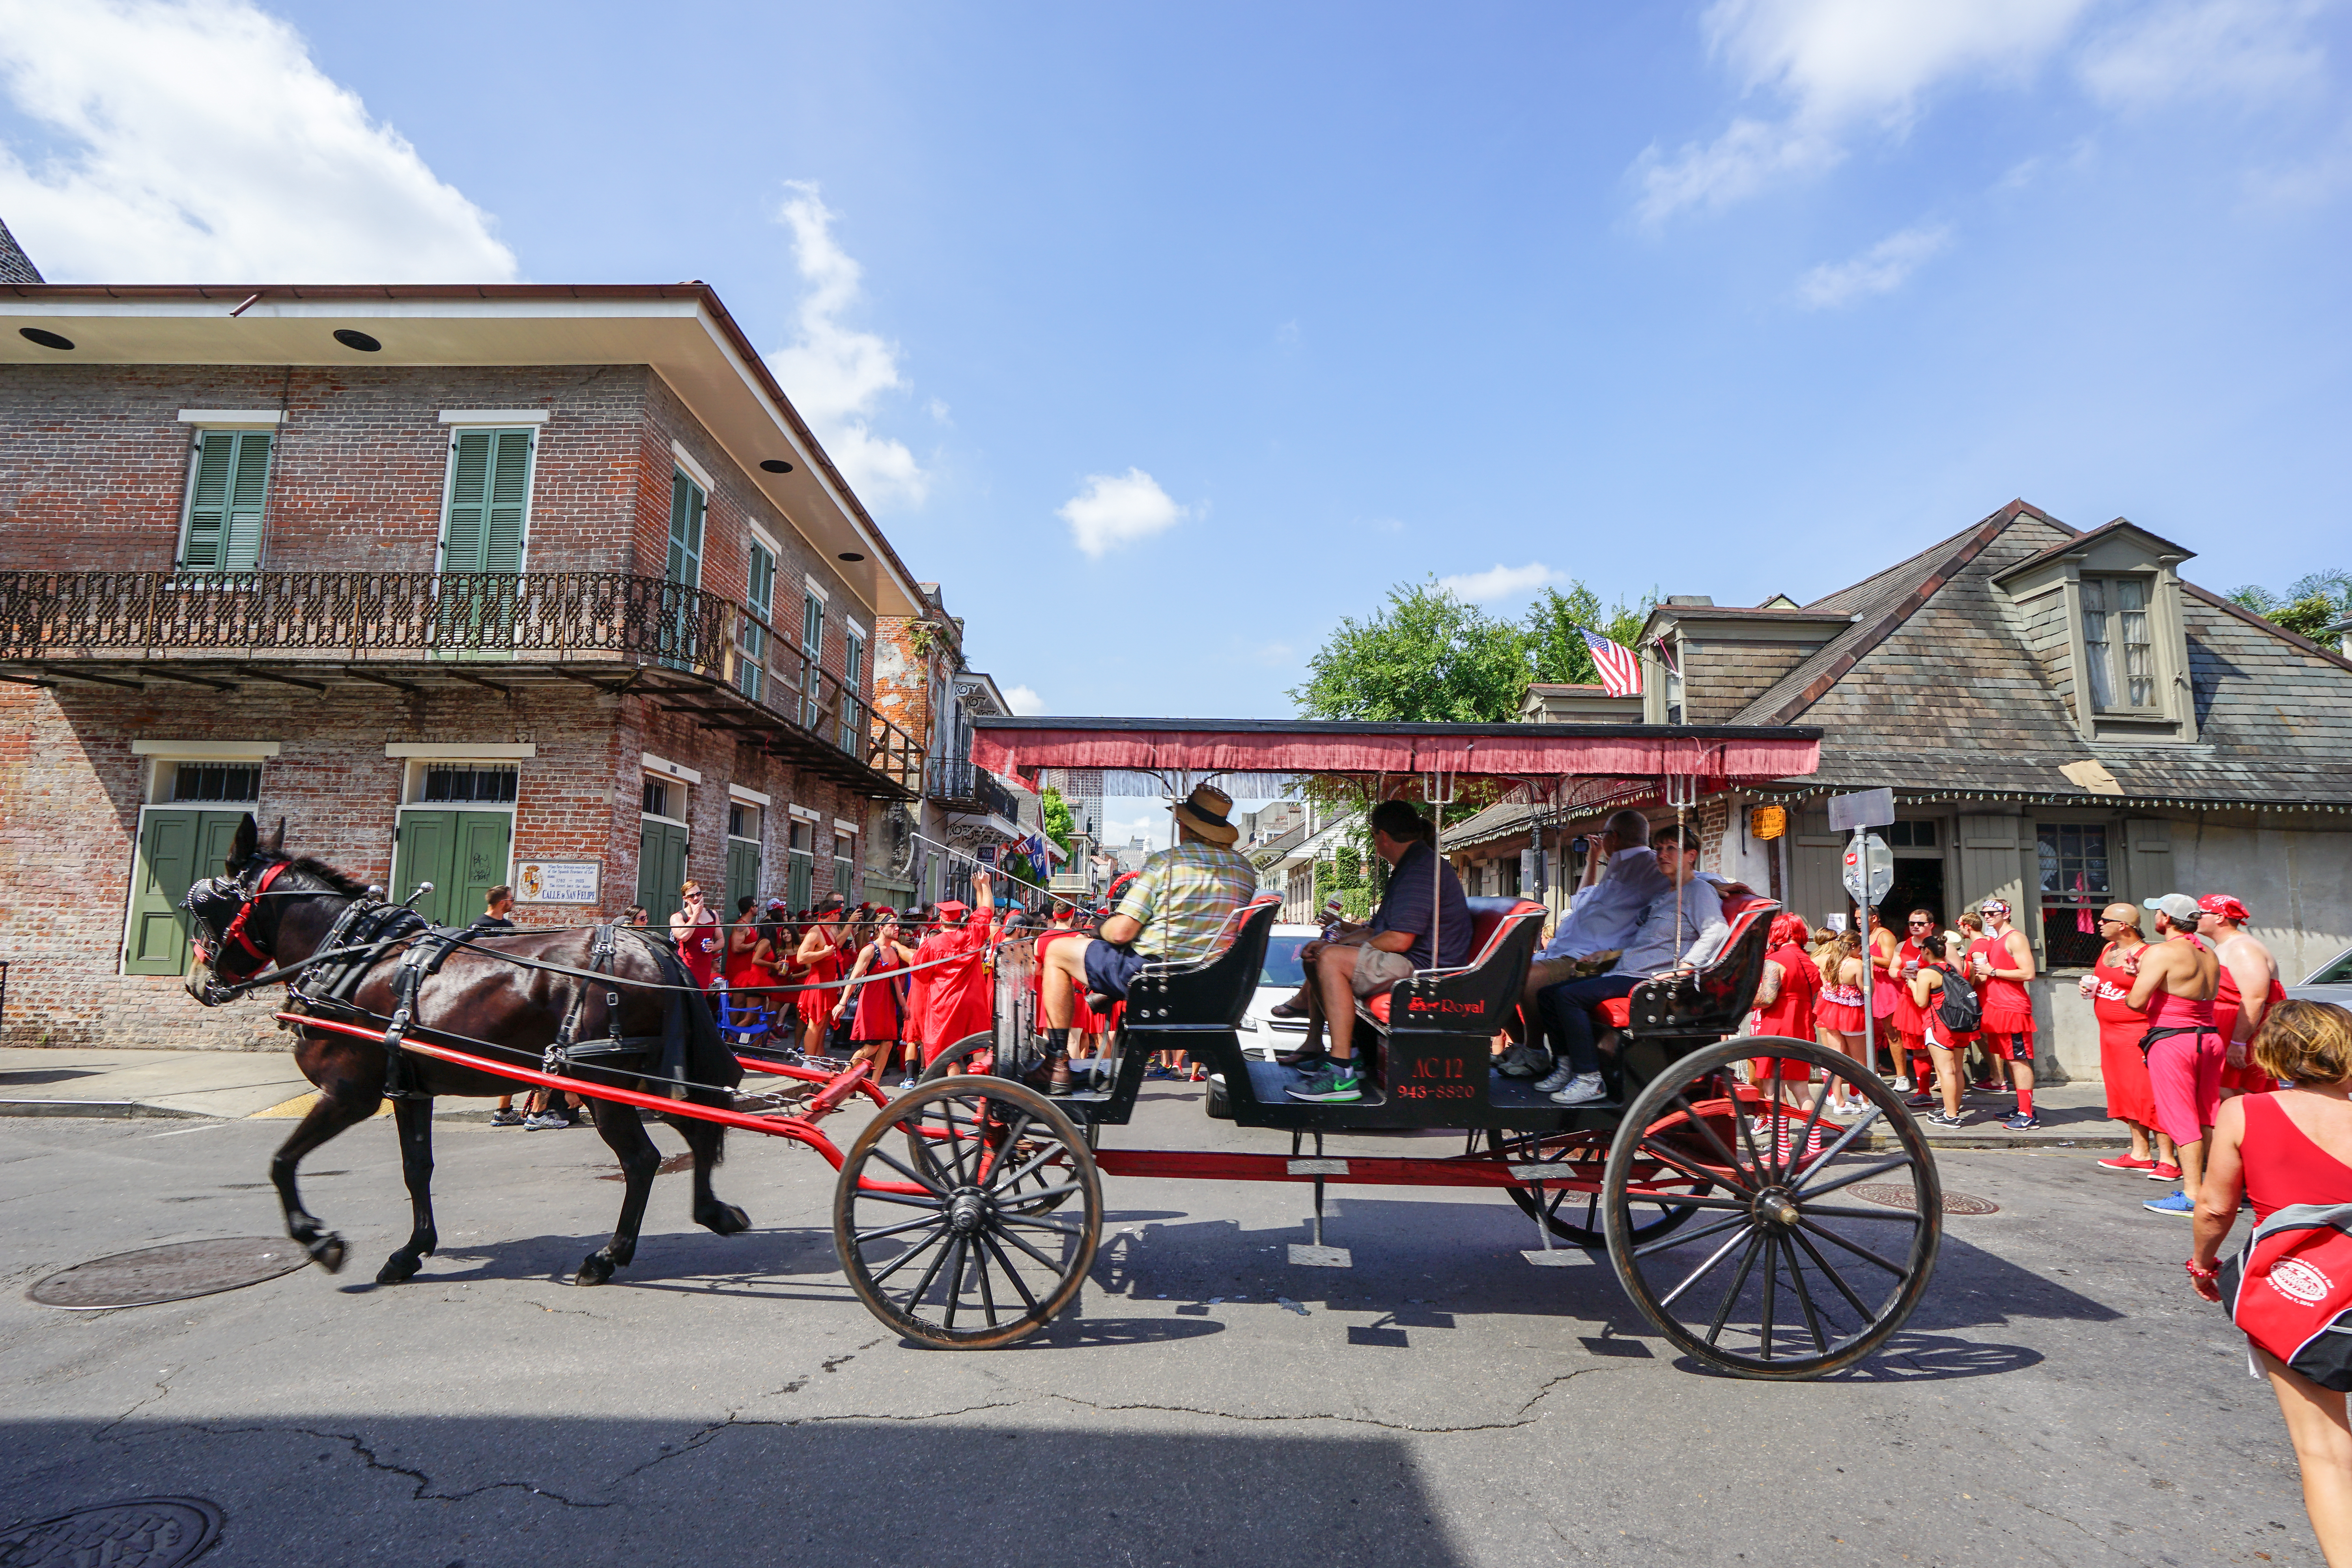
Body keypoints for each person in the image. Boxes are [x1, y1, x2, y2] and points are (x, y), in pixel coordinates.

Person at [2188, 1002, 2352, 1564]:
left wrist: (2203, 1264)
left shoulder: (2244, 1112)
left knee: (2324, 1450)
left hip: (2299, 1290)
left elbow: (2213, 1208)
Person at [1037, 785, 1259, 1097]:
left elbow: (1121, 933)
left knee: (1058, 951)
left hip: (1156, 977)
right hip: (1212, 981)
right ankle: (1102, 998)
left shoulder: (1165, 862)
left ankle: (1057, 1061)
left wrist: (1098, 929)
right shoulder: (1245, 870)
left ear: (1185, 827)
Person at [1278, 800, 1470, 1104]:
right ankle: (1346, 1053)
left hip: (1425, 971)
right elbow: (1377, 931)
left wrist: (1335, 948)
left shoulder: (1421, 869)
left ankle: (1341, 1074)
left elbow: (1398, 940)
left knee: (1329, 958)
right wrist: (1336, 941)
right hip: (1411, 962)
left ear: (1381, 836)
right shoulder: (1410, 866)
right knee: (1320, 955)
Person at [1532, 824, 1728, 1108]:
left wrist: (1685, 966)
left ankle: (1588, 1077)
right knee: (1548, 994)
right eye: (1658, 849)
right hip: (1626, 970)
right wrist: (1607, 954)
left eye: (1670, 848)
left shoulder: (1698, 891)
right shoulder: (1665, 894)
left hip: (1650, 980)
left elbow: (1716, 930)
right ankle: (1565, 1066)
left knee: (1567, 996)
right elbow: (1647, 943)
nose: (1661, 854)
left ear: (1690, 855)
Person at [1497, 809, 1665, 1078]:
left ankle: (1535, 1050)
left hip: (1591, 960)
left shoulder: (1645, 863)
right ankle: (1521, 1044)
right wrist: (1593, 858)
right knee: (1495, 974)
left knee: (1527, 977)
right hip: (1563, 951)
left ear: (1613, 837)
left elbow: (1692, 877)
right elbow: (1583, 898)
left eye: (1603, 835)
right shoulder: (1617, 866)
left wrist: (1717, 884)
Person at [2130, 892, 2225, 1216]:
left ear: (2166, 919)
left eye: (2157, 912)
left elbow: (2135, 1002)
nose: (2154, 917)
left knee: (2181, 1117)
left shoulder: (2163, 952)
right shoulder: (2208, 953)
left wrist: (2139, 979)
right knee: (2208, 1113)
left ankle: (2192, 1194)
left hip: (2174, 1040)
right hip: (2209, 1037)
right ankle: (2215, 1189)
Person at [2083, 903, 2173, 1178]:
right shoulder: (2107, 950)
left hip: (2138, 1033)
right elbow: (2103, 982)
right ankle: (2140, 1153)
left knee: (2149, 1095)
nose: (2098, 923)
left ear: (2123, 925)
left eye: (2104, 919)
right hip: (2109, 1034)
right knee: (2124, 1093)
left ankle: (2168, 1158)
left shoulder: (2148, 955)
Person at [2203, 892, 2287, 1100]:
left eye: (2200, 913)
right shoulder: (2228, 945)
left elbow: (2255, 998)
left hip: (2243, 1034)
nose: (2195, 918)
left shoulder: (2242, 948)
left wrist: (2239, 1043)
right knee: (2222, 1090)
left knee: (2237, 1092)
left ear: (2220, 917)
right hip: (2229, 1031)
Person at [1969, 898, 2041, 1131]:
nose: (1988, 917)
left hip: (2012, 1008)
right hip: (1997, 1007)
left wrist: (1994, 971)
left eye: (1993, 913)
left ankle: (2027, 1113)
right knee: (2011, 1059)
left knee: (2019, 1060)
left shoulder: (2015, 938)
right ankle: (2022, 1107)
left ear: (2006, 913)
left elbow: (2028, 973)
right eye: (1985, 913)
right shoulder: (1994, 939)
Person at [918, 876, 1003, 1071]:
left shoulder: (932, 944)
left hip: (945, 1000)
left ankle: (953, 1086)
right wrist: (984, 885)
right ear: (960, 920)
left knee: (947, 1046)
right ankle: (981, 1082)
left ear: (941, 920)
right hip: (972, 999)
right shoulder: (971, 935)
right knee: (978, 1041)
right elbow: (986, 912)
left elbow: (921, 975)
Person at [1749, 911, 1821, 1119]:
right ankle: (1813, 1144)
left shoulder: (1775, 960)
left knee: (1773, 1091)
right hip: (1802, 1027)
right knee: (1801, 1090)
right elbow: (1814, 999)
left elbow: (1767, 999)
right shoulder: (1810, 962)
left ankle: (1780, 1147)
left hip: (1777, 1026)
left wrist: (1744, 998)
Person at [833, 912, 915, 1090]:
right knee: (872, 1046)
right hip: (871, 1001)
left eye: (897, 925)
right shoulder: (870, 950)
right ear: (881, 928)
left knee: (888, 1044)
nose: (897, 928)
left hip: (887, 1002)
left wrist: (904, 1005)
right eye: (892, 925)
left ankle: (874, 1085)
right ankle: (843, 1080)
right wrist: (842, 1003)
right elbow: (854, 978)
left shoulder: (894, 950)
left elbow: (896, 982)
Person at [1814, 929, 1871, 1117]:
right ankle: (1866, 1101)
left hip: (1831, 1013)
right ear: (1853, 946)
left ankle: (1839, 1102)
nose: (1861, 951)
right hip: (1852, 1014)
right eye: (1860, 947)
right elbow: (1867, 992)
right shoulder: (1857, 964)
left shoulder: (1830, 961)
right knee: (1860, 1060)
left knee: (1836, 1059)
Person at [1891, 908, 1942, 1108]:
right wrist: (1902, 973)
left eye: (1920, 924)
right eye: (1912, 923)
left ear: (1931, 925)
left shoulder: (1941, 944)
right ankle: (1924, 1092)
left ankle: (1948, 1096)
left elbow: (1955, 969)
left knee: (1942, 1049)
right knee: (1918, 1050)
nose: (1915, 927)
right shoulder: (1903, 946)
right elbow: (1892, 970)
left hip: (1935, 1001)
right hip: (1910, 1002)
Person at [794, 894, 849, 1059]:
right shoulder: (816, 932)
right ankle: (809, 1062)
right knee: (815, 1024)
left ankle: (819, 1057)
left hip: (828, 982)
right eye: (839, 913)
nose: (840, 916)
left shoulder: (831, 930)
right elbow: (801, 957)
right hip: (817, 982)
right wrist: (823, 953)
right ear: (832, 914)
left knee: (824, 1024)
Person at [671, 882, 722, 995]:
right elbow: (684, 937)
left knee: (701, 998)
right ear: (685, 899)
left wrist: (713, 946)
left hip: (705, 966)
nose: (696, 898)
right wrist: (696, 915)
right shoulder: (678, 917)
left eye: (699, 894)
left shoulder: (712, 914)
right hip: (687, 966)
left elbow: (721, 940)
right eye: (692, 896)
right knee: (688, 1001)